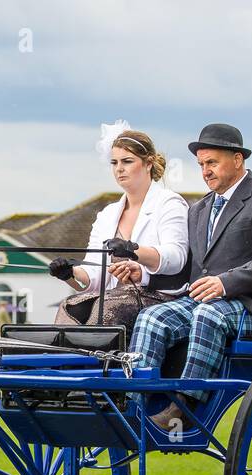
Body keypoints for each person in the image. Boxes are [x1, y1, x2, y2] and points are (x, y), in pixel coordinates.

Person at [130, 123, 252, 429]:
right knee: (151, 317)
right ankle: (135, 403)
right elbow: (189, 270)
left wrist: (224, 283)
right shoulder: (198, 210)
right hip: (208, 303)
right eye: (201, 165)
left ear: (237, 160)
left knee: (209, 314)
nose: (205, 171)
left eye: (212, 163)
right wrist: (143, 271)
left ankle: (184, 407)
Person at [48, 124, 188, 331]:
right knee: (69, 307)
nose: (119, 169)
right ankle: (62, 363)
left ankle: (99, 363)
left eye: (127, 161)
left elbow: (176, 257)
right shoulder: (107, 215)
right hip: (115, 297)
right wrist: (70, 274)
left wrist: (133, 250)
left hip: (160, 298)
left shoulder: (169, 203)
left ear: (148, 163)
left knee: (106, 309)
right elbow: (94, 277)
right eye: (114, 162)